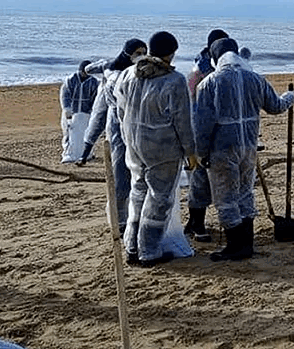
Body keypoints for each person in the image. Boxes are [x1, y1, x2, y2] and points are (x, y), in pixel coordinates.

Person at [193, 38, 294, 262]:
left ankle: (235, 245)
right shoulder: (256, 78)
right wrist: (290, 97)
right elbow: (275, 106)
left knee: (225, 197)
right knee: (245, 192)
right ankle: (247, 243)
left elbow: (202, 125)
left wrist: (201, 153)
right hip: (248, 147)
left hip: (222, 149)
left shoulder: (210, 83)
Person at [114, 31, 197, 267]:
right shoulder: (174, 80)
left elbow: (121, 110)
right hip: (163, 148)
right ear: (171, 54)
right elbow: (183, 121)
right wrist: (190, 151)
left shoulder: (129, 74)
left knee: (138, 193)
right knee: (159, 199)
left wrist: (128, 137)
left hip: (134, 145)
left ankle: (131, 246)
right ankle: (149, 250)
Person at [77, 38, 147, 234]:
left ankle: (135, 216)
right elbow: (93, 69)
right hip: (117, 125)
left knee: (138, 174)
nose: (141, 56)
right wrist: (86, 70)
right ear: (127, 53)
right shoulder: (114, 71)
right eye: (137, 53)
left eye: (144, 52)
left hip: (136, 125)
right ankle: (119, 219)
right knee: (120, 173)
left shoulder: (139, 72)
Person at [183, 29, 228, 243]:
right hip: (199, 129)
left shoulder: (218, 68)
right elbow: (192, 102)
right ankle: (196, 223)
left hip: (218, 128)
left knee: (207, 180)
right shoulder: (199, 71)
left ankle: (195, 221)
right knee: (199, 178)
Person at [59, 60, 99, 164]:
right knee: (68, 133)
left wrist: (92, 111)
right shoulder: (70, 80)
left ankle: (87, 154)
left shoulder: (94, 82)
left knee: (87, 133)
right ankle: (68, 154)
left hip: (86, 113)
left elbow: (95, 98)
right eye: (83, 71)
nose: (84, 74)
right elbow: (65, 95)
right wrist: (67, 109)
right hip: (71, 113)